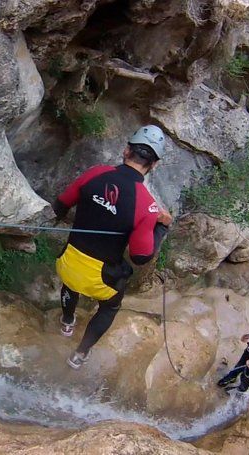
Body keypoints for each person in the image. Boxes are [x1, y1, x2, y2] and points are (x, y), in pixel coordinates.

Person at [52, 125, 173, 369]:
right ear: (155, 164)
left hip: (67, 262)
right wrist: (162, 227)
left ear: (126, 150)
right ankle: (80, 353)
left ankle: (67, 321)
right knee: (110, 306)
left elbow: (60, 205)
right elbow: (140, 257)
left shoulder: (95, 173)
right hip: (99, 280)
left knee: (71, 277)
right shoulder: (147, 206)